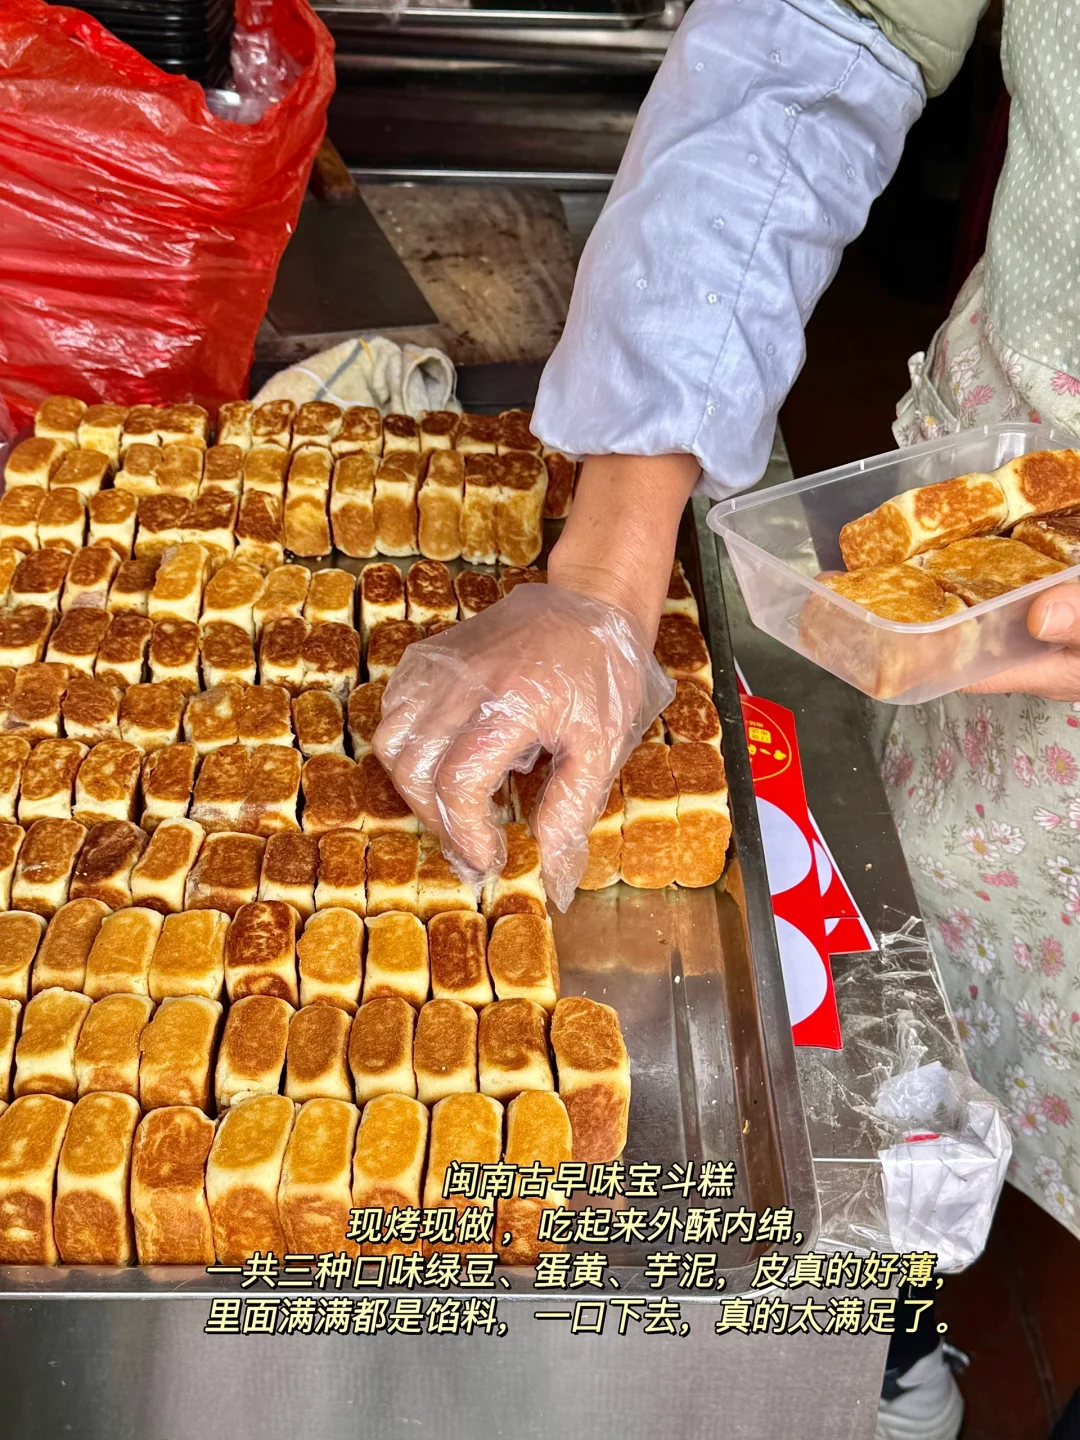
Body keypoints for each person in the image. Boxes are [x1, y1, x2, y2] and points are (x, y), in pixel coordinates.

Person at [375, 2, 1080, 1435]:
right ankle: (884, 1336)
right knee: (886, 1044)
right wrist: (606, 570)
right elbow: (823, 28)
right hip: (985, 579)